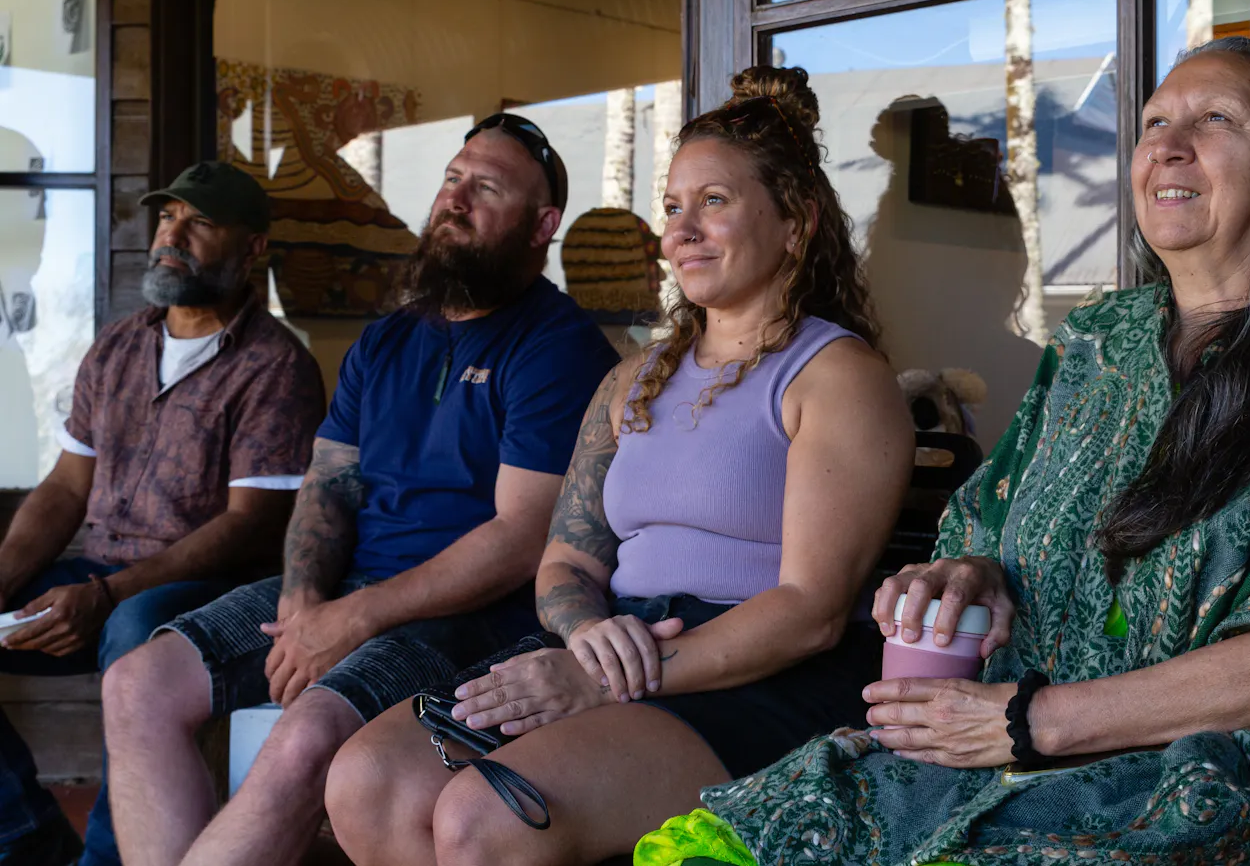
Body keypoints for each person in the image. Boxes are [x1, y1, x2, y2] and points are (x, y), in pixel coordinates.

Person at [637, 38, 1250, 866]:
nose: (1168, 147)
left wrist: (1032, 720)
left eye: (1215, 119)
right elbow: (988, 521)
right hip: (1017, 741)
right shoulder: (1094, 344)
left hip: (1248, 770)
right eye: (1155, 123)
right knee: (744, 834)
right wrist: (967, 573)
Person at [322, 66, 915, 866]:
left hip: (758, 672)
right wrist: (586, 634)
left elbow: (809, 609)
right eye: (673, 206)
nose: (682, 230)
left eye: (715, 202)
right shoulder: (634, 377)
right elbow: (567, 555)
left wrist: (609, 677)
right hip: (614, 642)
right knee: (368, 778)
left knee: (485, 816)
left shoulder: (837, 376)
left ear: (797, 221)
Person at [101, 114, 619, 866]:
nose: (455, 198)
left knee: (306, 735)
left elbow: (521, 536)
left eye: (486, 188)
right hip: (351, 587)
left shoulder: (558, 347)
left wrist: (351, 618)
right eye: (452, 178)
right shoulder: (389, 338)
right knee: (137, 684)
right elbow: (330, 480)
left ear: (543, 225)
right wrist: (304, 600)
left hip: (475, 616)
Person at [0, 161, 323, 866]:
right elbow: (63, 489)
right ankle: (23, 840)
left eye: (199, 222)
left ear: (253, 248)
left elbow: (251, 526)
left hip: (207, 590)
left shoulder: (275, 366)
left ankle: (111, 859)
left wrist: (108, 594)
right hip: (99, 573)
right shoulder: (118, 346)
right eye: (167, 218)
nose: (171, 235)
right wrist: (3, 576)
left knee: (135, 630)